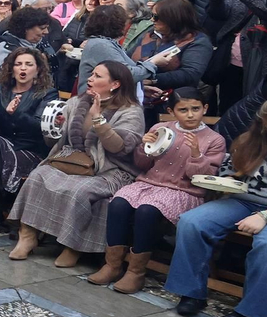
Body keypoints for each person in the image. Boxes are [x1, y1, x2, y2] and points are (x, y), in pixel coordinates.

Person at [82, 88, 224, 293]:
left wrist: (196, 154)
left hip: (183, 191)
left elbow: (203, 177)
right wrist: (144, 148)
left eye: (196, 109)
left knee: (147, 211)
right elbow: (142, 164)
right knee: (118, 203)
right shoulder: (161, 128)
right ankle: (112, 265)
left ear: (205, 108)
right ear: (172, 111)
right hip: (149, 183)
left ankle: (136, 272)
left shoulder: (214, 139)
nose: (190, 115)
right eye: (183, 110)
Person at [9, 62, 144, 266]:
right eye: (92, 74)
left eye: (97, 76)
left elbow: (120, 148)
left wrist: (98, 119)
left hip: (109, 169)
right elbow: (53, 142)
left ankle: (73, 246)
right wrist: (54, 128)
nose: (90, 79)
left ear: (115, 84)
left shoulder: (130, 112)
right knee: (38, 175)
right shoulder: (76, 102)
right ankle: (27, 235)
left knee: (79, 190)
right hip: (73, 159)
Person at [166, 98, 267, 317]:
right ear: (264, 122)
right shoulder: (250, 141)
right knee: (192, 222)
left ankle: (249, 313)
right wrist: (224, 180)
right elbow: (229, 173)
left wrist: (265, 217)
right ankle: (192, 293)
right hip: (241, 200)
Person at [0, 47, 55, 235]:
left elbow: (39, 127)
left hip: (29, 149)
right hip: (0, 145)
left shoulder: (46, 93)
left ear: (38, 70)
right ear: (11, 69)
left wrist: (16, 114)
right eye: (18, 64)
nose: (23, 68)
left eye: (28, 64)